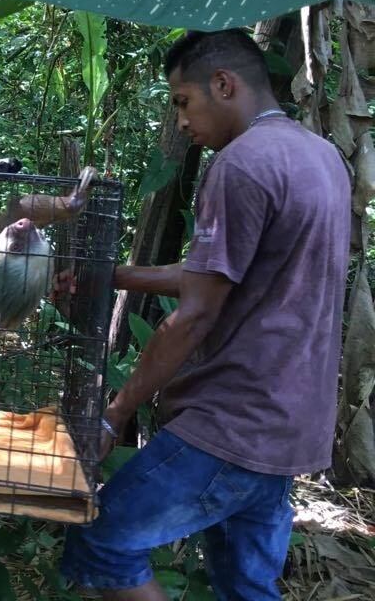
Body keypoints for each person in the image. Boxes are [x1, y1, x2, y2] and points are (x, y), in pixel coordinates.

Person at [58, 30, 351, 600]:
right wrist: (112, 276)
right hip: (290, 425)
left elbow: (192, 314)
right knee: (246, 588)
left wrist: (115, 414)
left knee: (104, 540)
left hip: (232, 420)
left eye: (182, 102)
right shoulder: (322, 157)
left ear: (223, 84)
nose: (181, 122)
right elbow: (221, 276)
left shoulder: (240, 165)